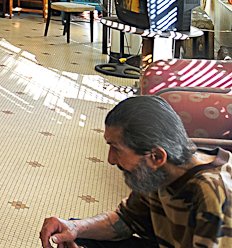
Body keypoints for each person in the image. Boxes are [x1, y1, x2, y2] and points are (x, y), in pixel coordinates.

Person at [39, 95, 232, 247]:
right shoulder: (159, 171)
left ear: (156, 156)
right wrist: (74, 227)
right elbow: (126, 220)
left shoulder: (214, 194)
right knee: (75, 236)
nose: (110, 160)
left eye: (116, 149)